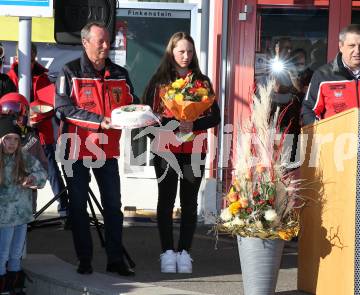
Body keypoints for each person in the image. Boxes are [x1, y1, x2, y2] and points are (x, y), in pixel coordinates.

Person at [54, 21, 137, 276]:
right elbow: (64, 109)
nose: (105, 45)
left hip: (106, 151)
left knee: (113, 206)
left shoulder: (120, 73)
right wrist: (99, 122)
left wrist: (140, 114)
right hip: (76, 150)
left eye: (107, 40)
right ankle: (85, 259)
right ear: (85, 42)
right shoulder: (69, 71)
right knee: (78, 207)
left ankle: (115, 259)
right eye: (100, 41)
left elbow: (131, 103)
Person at [143, 32, 220, 274]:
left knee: (189, 202)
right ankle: (167, 252)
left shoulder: (202, 82)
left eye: (189, 51)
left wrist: (192, 125)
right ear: (171, 53)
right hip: (166, 150)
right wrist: (170, 128)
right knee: (165, 201)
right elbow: (147, 118)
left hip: (194, 149)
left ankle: (184, 252)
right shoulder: (159, 82)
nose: (186, 56)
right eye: (180, 51)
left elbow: (215, 116)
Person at [7, 43, 69, 217]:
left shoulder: (43, 77)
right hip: (14, 135)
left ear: (35, 56)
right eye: (22, 55)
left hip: (40, 134)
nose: (27, 59)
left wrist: (34, 117)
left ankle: (64, 209)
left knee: (51, 171)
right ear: (16, 56)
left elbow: (49, 104)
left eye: (31, 55)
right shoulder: (9, 77)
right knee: (17, 173)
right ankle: (26, 213)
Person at [0, 116, 47, 295]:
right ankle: (3, 287)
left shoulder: (24, 157)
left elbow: (42, 173)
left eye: (16, 139)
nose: (12, 143)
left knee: (16, 252)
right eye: (8, 139)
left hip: (22, 216)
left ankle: (15, 284)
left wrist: (32, 179)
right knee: (2, 253)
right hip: (4, 218)